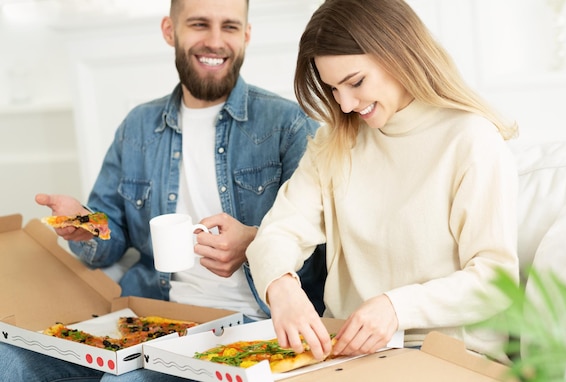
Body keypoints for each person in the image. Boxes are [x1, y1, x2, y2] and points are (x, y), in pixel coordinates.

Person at [0, 0, 325, 381]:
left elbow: (319, 252)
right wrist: (86, 225)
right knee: (10, 357)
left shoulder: (288, 124)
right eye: (200, 24)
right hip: (150, 316)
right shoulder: (138, 127)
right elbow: (111, 236)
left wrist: (254, 246)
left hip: (250, 324)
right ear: (170, 30)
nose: (215, 41)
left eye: (230, 27)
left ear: (247, 36)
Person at [246, 0, 520, 364]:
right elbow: (279, 231)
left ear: (399, 53)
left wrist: (396, 307)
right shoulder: (334, 143)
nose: (344, 104)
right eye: (333, 89)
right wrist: (281, 287)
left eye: (355, 82)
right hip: (347, 354)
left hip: (449, 355)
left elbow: (495, 283)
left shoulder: (471, 140)